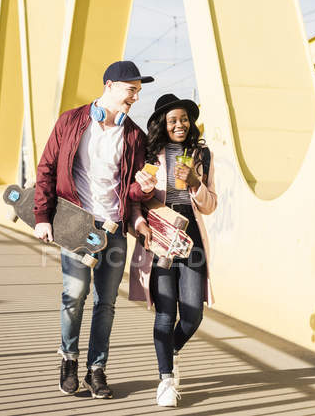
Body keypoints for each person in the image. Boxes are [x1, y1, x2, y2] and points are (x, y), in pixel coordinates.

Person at [33, 61, 157, 399]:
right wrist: (42, 216)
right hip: (76, 224)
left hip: (114, 227)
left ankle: (96, 369)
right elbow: (46, 168)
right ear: (110, 85)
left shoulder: (134, 135)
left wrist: (142, 189)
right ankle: (68, 361)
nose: (135, 97)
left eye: (138, 92)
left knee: (106, 303)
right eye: (131, 89)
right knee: (74, 295)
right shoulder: (71, 121)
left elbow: (130, 191)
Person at [129, 93, 217, 407]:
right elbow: (134, 200)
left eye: (183, 119)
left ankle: (172, 350)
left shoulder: (201, 154)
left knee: (192, 315)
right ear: (162, 126)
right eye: (172, 121)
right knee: (166, 315)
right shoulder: (149, 155)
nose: (179, 125)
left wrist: (195, 182)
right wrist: (141, 211)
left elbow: (210, 205)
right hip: (159, 240)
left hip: (191, 239)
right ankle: (166, 379)